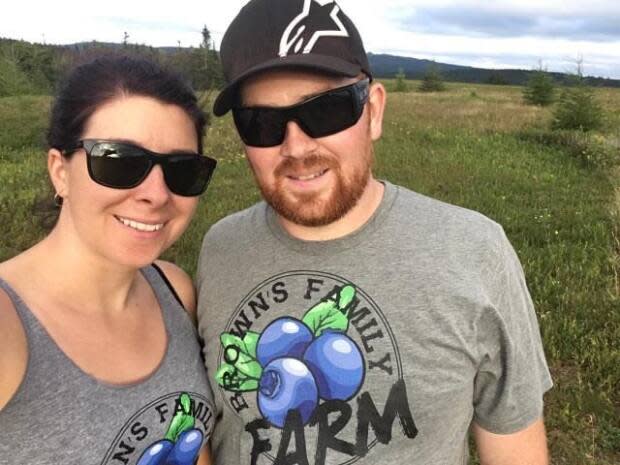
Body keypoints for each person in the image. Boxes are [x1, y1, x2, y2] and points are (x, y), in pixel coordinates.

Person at [196, 0, 553, 464]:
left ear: (374, 110)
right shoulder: (219, 249)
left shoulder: (475, 251)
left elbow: (515, 448)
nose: (297, 146)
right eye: (260, 122)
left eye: (326, 111)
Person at [0, 55, 217, 465]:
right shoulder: (9, 325)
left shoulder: (174, 289)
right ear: (59, 172)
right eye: (119, 161)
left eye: (182, 169)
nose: (157, 194)